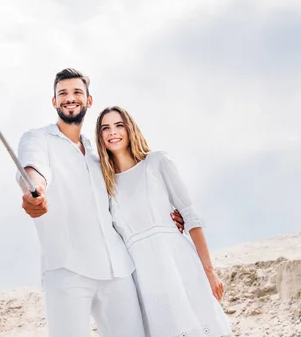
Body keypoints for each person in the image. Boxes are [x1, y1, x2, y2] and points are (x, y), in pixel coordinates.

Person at [16, 68, 184, 337]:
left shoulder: (99, 154)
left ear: (88, 100)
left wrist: (168, 214)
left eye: (77, 93)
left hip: (118, 269)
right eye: (63, 94)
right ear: (54, 102)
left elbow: (129, 192)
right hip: (66, 268)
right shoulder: (37, 139)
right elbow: (33, 171)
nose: (70, 98)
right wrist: (35, 190)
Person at [95, 105, 234, 337]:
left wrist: (209, 272)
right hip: (142, 277)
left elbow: (190, 216)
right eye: (105, 128)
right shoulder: (104, 184)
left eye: (119, 125)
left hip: (178, 262)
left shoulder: (157, 162)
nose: (113, 132)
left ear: (130, 129)